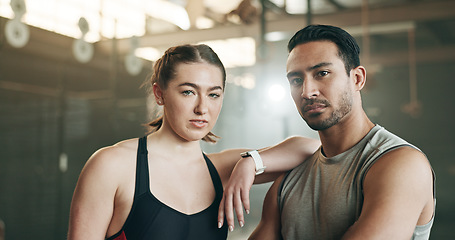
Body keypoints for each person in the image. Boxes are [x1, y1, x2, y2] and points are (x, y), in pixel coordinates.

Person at [67, 44, 320, 240]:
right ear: (159, 94)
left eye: (213, 94)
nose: (202, 108)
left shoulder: (221, 169)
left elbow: (309, 148)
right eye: (188, 92)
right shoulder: (112, 165)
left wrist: (250, 163)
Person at [219, 24, 435, 239]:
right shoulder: (288, 179)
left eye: (322, 73)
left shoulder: (401, 164)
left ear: (357, 79)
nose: (307, 92)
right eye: (296, 80)